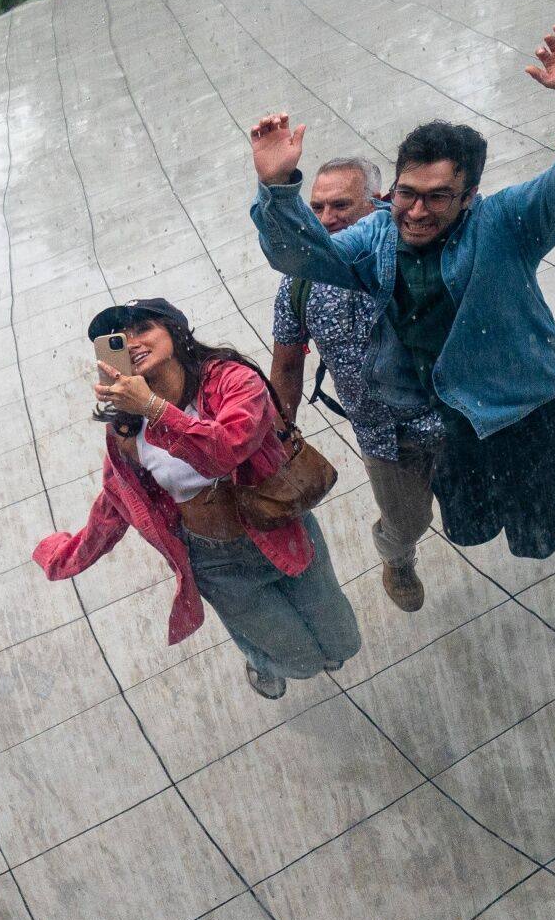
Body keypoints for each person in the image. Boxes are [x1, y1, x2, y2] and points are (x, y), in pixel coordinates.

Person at [249, 23, 555, 561]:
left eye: (439, 197)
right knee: (478, 524)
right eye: (407, 195)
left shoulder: (506, 221)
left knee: (549, 517)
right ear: (391, 190)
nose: (418, 213)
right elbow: (300, 258)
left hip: (530, 395)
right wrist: (276, 190)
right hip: (442, 420)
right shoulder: (373, 236)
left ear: (470, 196)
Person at [35, 298, 361, 700]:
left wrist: (154, 409)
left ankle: (286, 650)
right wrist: (66, 556)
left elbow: (226, 448)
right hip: (217, 563)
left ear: (175, 330)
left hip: (281, 528)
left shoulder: (231, 379)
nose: (132, 342)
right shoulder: (126, 430)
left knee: (344, 644)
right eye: (119, 338)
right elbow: (116, 503)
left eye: (143, 329)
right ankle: (260, 660)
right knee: (301, 662)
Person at [268, 156, 448, 613]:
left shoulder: (421, 254)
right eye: (318, 208)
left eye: (341, 205)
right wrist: (279, 436)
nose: (326, 219)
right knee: (404, 522)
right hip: (382, 438)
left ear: (380, 204)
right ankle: (398, 560)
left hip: (454, 413)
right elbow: (288, 367)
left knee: (499, 489)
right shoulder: (298, 283)